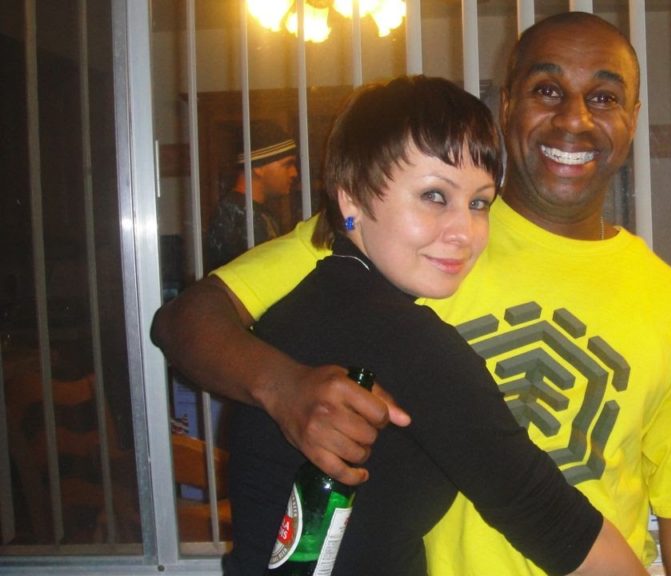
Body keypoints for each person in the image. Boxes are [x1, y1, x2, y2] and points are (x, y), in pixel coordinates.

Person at [152, 12, 671, 575]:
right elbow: (185, 323)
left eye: (603, 97)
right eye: (547, 90)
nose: (574, 119)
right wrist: (283, 386)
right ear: (508, 104)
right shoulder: (394, 237)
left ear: (632, 117)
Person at [226, 75, 644, 576]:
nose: (465, 232)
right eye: (434, 196)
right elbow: (556, 526)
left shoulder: (305, 307)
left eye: (479, 203)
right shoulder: (405, 342)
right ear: (352, 200)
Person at [205, 120, 298, 271]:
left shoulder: (254, 212)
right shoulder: (236, 216)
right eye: (287, 165)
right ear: (258, 167)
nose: (294, 173)